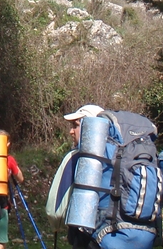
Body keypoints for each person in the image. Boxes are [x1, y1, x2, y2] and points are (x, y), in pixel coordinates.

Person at [45, 104, 104, 249]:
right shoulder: (118, 155)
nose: (71, 131)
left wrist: (56, 226)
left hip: (86, 238)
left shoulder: (76, 157)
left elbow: (55, 210)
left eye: (75, 126)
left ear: (89, 126)